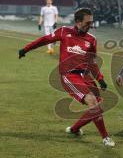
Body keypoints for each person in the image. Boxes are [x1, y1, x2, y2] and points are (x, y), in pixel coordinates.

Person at [19, 8, 115, 147]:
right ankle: (105, 138)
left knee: (97, 107)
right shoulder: (64, 31)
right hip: (69, 75)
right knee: (93, 103)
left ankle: (74, 129)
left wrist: (100, 79)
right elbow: (44, 40)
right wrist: (25, 49)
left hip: (85, 76)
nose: (90, 26)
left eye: (91, 23)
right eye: (87, 23)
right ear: (77, 22)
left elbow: (91, 62)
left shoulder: (92, 40)